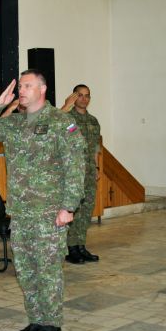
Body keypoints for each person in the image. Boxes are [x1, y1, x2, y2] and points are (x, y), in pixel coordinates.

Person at [0, 69, 85, 331]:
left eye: (27, 86)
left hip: (49, 211)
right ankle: (36, 320)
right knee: (25, 269)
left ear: (42, 89)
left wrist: (68, 207)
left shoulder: (61, 122)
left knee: (48, 269)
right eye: (20, 86)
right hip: (21, 212)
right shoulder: (13, 124)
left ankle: (51, 323)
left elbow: (75, 166)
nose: (21, 90)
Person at [60, 84, 102, 264]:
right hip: (73, 173)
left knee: (86, 210)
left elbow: (96, 147)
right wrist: (65, 106)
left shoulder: (93, 121)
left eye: (87, 95)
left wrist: (97, 168)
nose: (84, 99)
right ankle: (71, 249)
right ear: (74, 97)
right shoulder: (67, 119)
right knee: (73, 210)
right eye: (80, 95)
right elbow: (53, 127)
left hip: (89, 171)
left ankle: (81, 246)